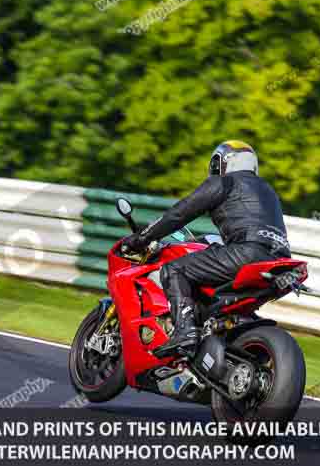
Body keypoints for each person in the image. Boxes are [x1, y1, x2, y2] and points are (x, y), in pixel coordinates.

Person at [121, 141, 290, 358]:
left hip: (247, 253)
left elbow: (179, 214)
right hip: (280, 260)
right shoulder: (268, 190)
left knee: (175, 270)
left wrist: (142, 237)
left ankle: (185, 331)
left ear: (224, 162)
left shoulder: (226, 182)